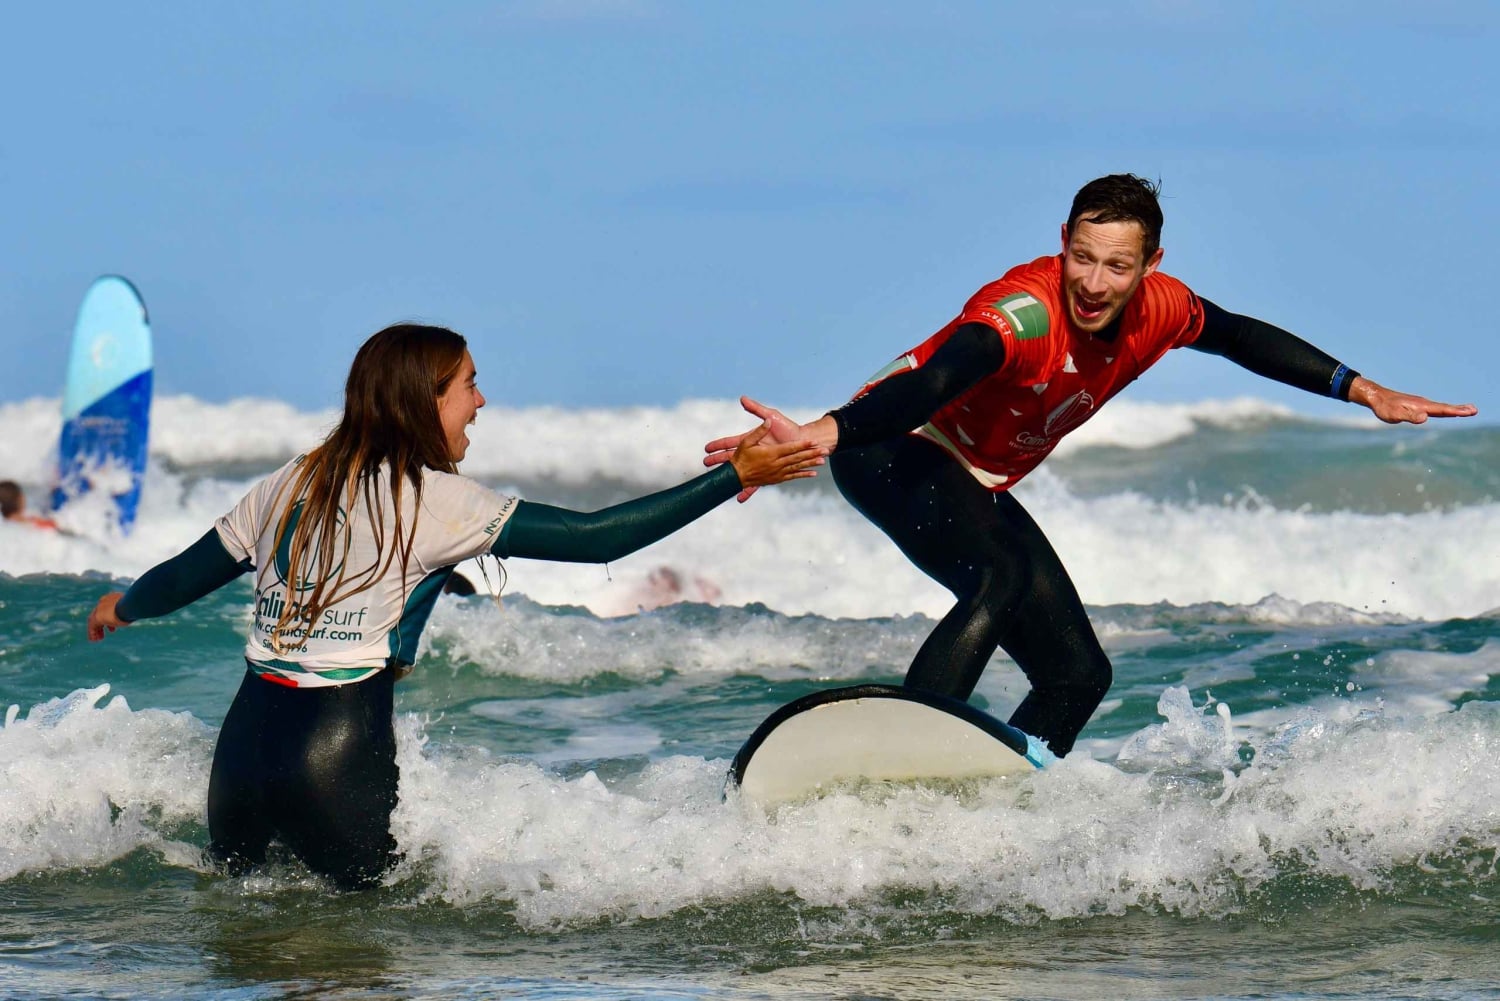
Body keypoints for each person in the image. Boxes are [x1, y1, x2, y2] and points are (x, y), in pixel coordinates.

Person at [705, 173, 1477, 764]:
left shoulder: (1164, 309)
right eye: (1081, 257)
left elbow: (1239, 335)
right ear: (1063, 241)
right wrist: (823, 432)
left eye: (1116, 265)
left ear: (1150, 265)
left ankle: (1001, 795)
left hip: (972, 475)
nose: (1094, 282)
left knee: (1079, 673)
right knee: (998, 579)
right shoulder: (1024, 314)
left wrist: (1361, 388)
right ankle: (907, 762)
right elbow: (932, 383)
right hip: (889, 445)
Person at [85, 323, 825, 889]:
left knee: (252, 950)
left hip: (240, 759)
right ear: (425, 399)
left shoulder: (291, 480)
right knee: (358, 962)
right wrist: (734, 474)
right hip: (334, 756)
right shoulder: (436, 500)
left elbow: (181, 577)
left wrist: (124, 605)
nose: (481, 401)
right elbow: (601, 537)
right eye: (468, 384)